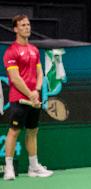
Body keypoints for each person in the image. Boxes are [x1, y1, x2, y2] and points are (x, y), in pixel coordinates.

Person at [3, 15, 53, 180]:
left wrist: (37, 90)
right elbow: (15, 78)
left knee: (33, 131)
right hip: (19, 98)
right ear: (15, 29)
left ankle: (33, 167)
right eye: (23, 25)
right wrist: (30, 94)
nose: (27, 27)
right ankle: (9, 168)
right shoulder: (11, 52)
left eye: (28, 24)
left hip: (33, 98)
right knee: (14, 131)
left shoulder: (34, 50)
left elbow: (40, 73)